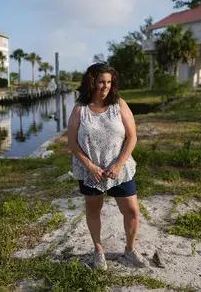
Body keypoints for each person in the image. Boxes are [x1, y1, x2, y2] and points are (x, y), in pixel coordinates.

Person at [67, 62, 149, 270]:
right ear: (91, 83)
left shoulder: (119, 104)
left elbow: (132, 137)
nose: (105, 86)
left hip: (119, 169)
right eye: (101, 82)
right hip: (91, 171)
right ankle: (98, 251)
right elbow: (72, 143)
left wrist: (119, 164)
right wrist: (91, 167)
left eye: (109, 82)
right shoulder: (80, 110)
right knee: (94, 210)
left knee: (132, 211)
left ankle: (130, 250)